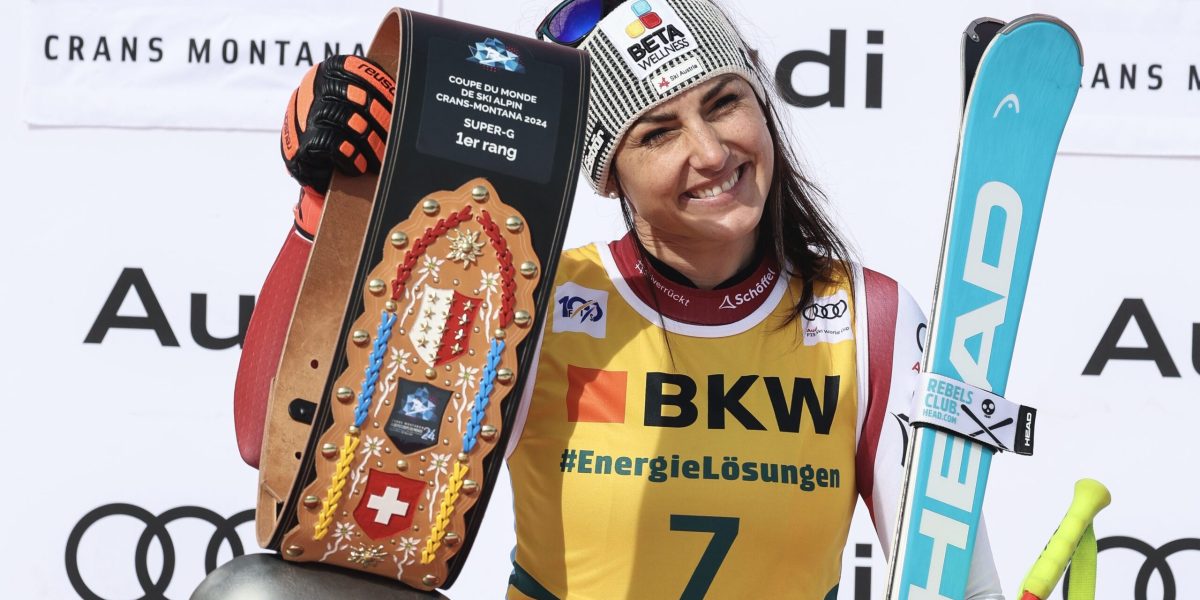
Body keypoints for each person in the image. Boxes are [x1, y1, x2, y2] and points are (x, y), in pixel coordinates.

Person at [238, 0, 1007, 598]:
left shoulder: (866, 319)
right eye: (658, 133)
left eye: (725, 104)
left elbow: (958, 582)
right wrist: (323, 219)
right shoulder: (533, 299)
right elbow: (275, 445)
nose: (709, 152)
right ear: (609, 175)